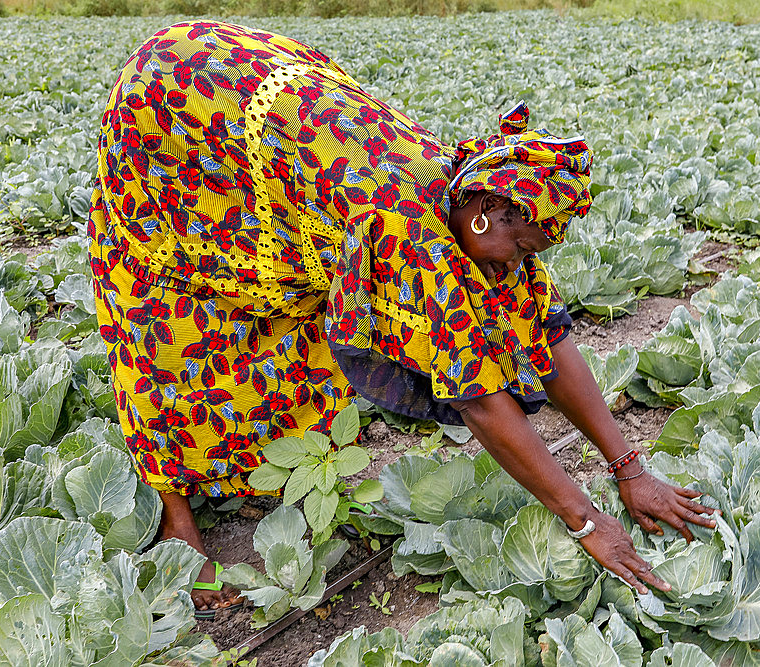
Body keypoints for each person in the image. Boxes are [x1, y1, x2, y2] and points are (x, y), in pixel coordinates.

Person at [88, 20, 717, 618]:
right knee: (169, 310)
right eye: (522, 249)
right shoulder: (404, 234)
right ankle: (178, 516)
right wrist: (585, 521)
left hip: (266, 104)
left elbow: (546, 332)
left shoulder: (483, 199)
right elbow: (479, 398)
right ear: (486, 214)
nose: (520, 267)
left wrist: (627, 469)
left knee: (291, 304)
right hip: (174, 107)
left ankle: (260, 460)